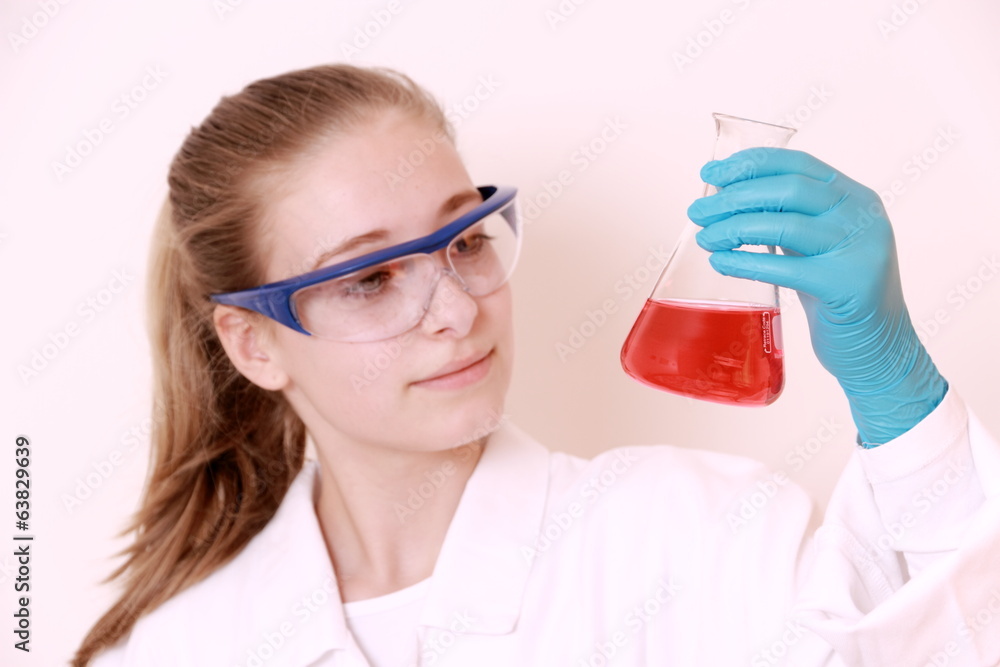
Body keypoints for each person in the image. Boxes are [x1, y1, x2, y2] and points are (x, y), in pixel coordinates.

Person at [75, 64, 1000, 666]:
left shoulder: (697, 535)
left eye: (465, 240)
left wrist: (895, 386)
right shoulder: (179, 645)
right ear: (254, 343)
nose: (454, 309)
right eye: (368, 278)